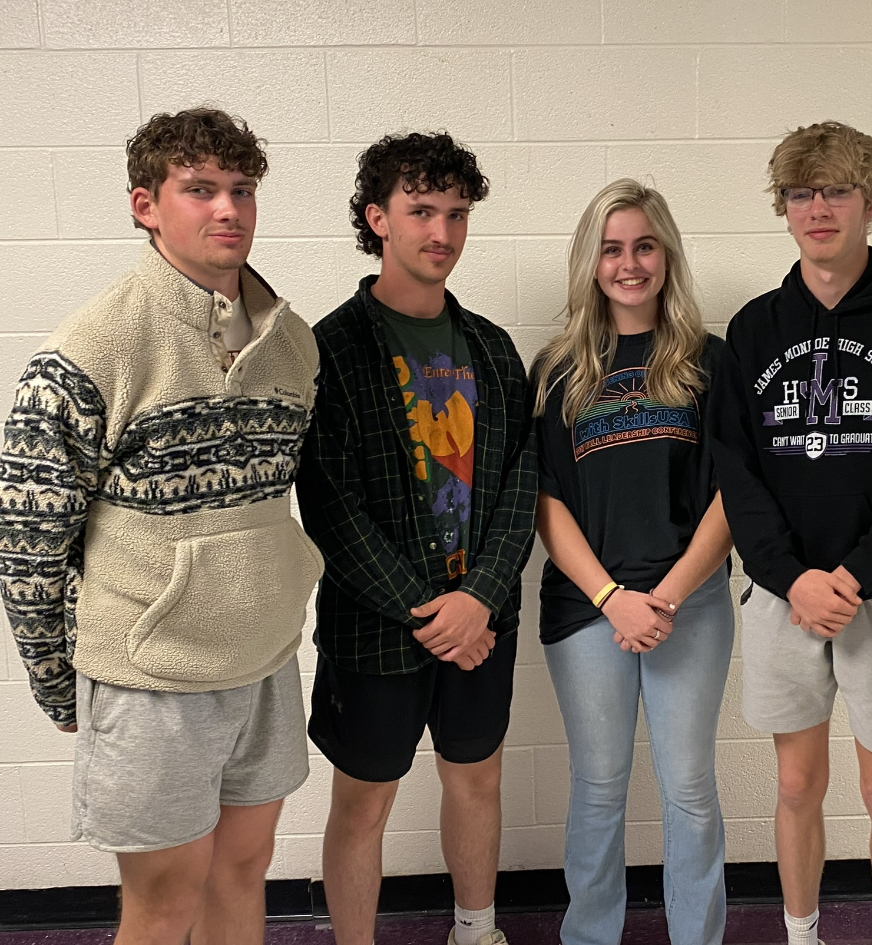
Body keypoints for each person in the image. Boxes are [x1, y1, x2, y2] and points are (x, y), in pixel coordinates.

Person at [0, 108, 320, 944]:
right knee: (165, 901)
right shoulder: (89, 350)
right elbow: (29, 542)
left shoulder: (294, 343)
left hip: (264, 662)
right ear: (145, 205)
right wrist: (54, 677)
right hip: (149, 677)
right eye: (200, 189)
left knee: (243, 872)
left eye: (242, 189)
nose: (229, 209)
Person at [708, 122, 872, 945]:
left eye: (837, 191)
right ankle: (802, 934)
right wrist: (792, 576)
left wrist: (854, 575)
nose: (817, 208)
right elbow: (736, 472)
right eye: (800, 193)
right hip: (783, 593)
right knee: (795, 784)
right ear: (783, 208)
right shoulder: (753, 329)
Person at [296, 131, 536, 945]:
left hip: (483, 621)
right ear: (378, 218)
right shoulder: (330, 349)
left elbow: (521, 484)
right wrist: (433, 611)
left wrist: (480, 599)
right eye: (422, 210)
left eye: (456, 213)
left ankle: (477, 929)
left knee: (477, 778)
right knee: (363, 802)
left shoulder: (492, 348)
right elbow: (330, 507)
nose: (442, 231)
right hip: (379, 627)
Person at [531, 179, 734, 945]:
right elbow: (547, 500)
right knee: (598, 786)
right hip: (590, 606)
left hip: (692, 601)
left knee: (689, 786)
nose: (629, 263)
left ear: (667, 254)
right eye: (612, 248)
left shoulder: (710, 361)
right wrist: (613, 595)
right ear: (591, 261)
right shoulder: (556, 370)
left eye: (645, 246)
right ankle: (589, 935)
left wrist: (669, 595)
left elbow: (732, 496)